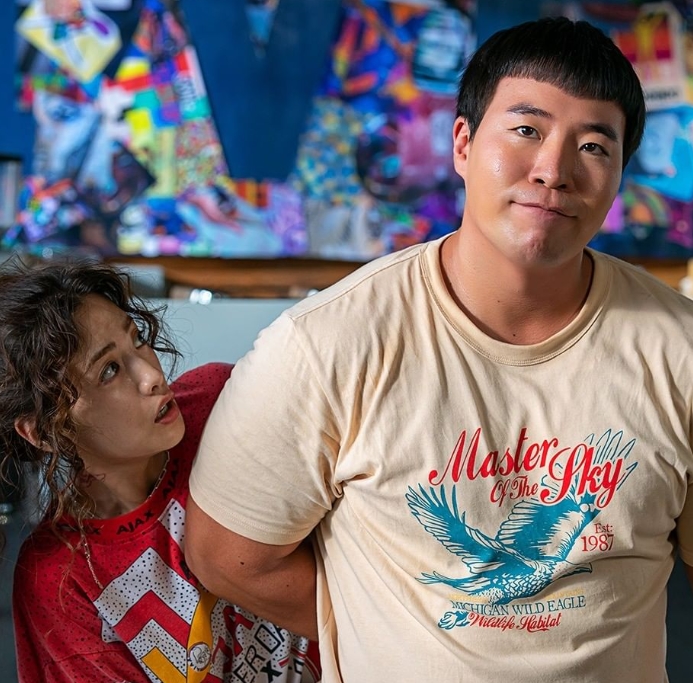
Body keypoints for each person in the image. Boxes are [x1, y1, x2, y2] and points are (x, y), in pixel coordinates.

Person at [185, 15, 693, 683]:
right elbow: (226, 556)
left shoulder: (678, 349)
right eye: (526, 130)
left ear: (619, 173)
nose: (553, 170)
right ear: (462, 143)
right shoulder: (324, 343)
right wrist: (382, 629)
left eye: (594, 146)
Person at [0, 259, 320, 682]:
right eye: (109, 370)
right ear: (43, 431)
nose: (152, 375)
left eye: (137, 339)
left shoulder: (219, 402)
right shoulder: (57, 578)